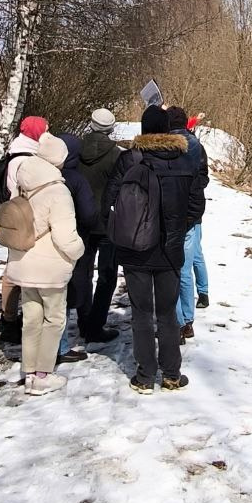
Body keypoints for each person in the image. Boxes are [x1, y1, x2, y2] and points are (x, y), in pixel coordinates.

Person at [102, 105, 204, 394]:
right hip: (171, 250)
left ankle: (145, 376)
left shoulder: (129, 159)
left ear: (144, 129)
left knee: (141, 312)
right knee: (168, 313)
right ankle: (171, 374)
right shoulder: (185, 160)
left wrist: (121, 232)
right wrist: (179, 228)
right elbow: (197, 206)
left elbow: (109, 203)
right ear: (168, 130)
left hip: (135, 248)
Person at [6, 132, 86, 396]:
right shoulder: (57, 190)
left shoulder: (23, 181)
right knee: (53, 320)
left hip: (23, 261)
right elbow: (65, 236)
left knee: (30, 319)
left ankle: (29, 373)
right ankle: (43, 375)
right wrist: (78, 251)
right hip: (49, 267)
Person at [0, 116, 49, 343]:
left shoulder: (16, 152)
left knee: (15, 269)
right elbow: (23, 189)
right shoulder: (25, 159)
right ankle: (11, 320)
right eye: (45, 129)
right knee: (16, 272)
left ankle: (10, 318)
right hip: (24, 219)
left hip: (16, 217)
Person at [76, 108, 123, 344]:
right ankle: (96, 324)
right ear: (110, 128)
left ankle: (84, 321)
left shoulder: (76, 150)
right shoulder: (116, 155)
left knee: (82, 272)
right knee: (107, 274)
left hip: (81, 219)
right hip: (107, 223)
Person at [166, 105, 210, 339]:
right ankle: (187, 320)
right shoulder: (196, 146)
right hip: (191, 216)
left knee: (173, 270)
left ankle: (178, 321)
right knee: (185, 269)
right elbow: (203, 178)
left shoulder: (163, 147)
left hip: (172, 217)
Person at [55, 131, 99, 361]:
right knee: (68, 291)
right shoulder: (76, 179)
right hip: (72, 240)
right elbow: (88, 215)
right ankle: (61, 346)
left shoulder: (38, 174)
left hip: (39, 243)